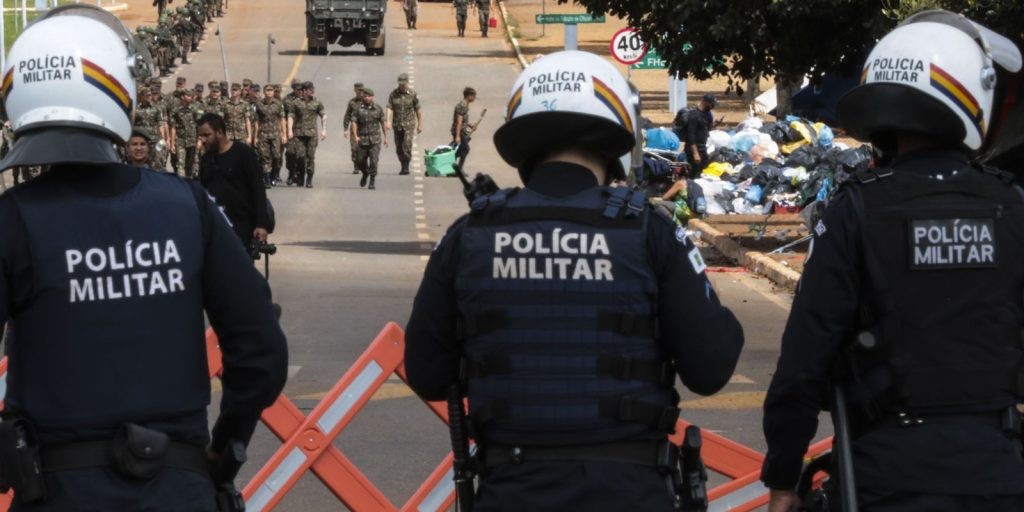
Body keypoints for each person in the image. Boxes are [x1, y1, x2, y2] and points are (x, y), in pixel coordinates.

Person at [405, 50, 744, 511]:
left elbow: (427, 373)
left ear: (524, 141)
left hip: (512, 489)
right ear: (613, 139)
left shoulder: (471, 234)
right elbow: (710, 367)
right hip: (631, 491)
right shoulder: (651, 231)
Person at [0, 6, 287, 511]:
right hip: (179, 483)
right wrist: (225, 448)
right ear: (119, 88)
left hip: (58, 489)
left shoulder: (13, 220)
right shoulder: (188, 205)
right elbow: (260, 349)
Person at [761, 11, 1024, 512]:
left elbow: (804, 360)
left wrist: (781, 476)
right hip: (996, 473)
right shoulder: (1012, 207)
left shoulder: (855, 208)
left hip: (883, 477)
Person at [197, 113, 272, 247]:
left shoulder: (244, 154)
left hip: (242, 226)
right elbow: (201, 193)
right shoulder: (206, 159)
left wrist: (261, 224)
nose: (203, 140)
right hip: (216, 227)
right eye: (201, 136)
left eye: (207, 135)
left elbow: (258, 190)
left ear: (219, 132)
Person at [286, 81, 327, 188]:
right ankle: (300, 176)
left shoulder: (317, 102)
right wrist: (290, 130)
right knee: (300, 156)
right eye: (310, 89)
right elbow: (290, 116)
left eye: (313, 89)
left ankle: (309, 179)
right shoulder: (295, 102)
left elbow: (323, 115)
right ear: (304, 91)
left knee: (310, 157)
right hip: (299, 134)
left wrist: (324, 130)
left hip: (312, 134)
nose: (312, 91)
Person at [351, 87, 387, 190]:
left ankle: (372, 180)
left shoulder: (378, 108)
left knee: (374, 161)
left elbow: (382, 123)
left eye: (369, 96)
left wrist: (386, 137)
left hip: (375, 140)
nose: (366, 98)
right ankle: (365, 173)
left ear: (372, 97)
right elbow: (354, 122)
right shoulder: (358, 109)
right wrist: (356, 136)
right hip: (362, 139)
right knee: (360, 161)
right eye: (365, 96)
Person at [386, 73, 422, 176]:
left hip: (409, 124)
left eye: (403, 84)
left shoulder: (413, 94)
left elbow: (418, 110)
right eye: (400, 84)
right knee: (398, 147)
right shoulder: (393, 94)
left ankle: (406, 166)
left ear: (407, 82)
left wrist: (420, 124)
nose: (401, 86)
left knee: (407, 144)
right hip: (397, 124)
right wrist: (388, 121)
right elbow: (389, 107)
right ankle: (402, 164)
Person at [254, 84, 287, 186]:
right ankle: (267, 178)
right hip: (263, 134)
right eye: (267, 90)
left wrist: (284, 134)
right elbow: (256, 121)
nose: (269, 92)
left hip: (275, 134)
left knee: (277, 156)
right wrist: (255, 136)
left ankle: (273, 175)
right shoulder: (259, 104)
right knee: (264, 156)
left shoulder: (278, 104)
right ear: (264, 92)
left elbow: (282, 119)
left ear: (273, 92)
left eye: (271, 90)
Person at [678, 93, 715, 175]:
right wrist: (695, 153)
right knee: (695, 174)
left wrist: (716, 124)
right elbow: (691, 135)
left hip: (702, 148)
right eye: (711, 104)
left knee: (704, 171)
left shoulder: (705, 114)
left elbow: (705, 129)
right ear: (705, 102)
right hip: (693, 150)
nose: (712, 106)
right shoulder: (694, 115)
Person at [169, 88, 203, 177]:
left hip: (192, 141)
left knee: (190, 166)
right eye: (188, 95)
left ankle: (190, 185)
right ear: (182, 97)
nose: (190, 97)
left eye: (191, 96)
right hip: (180, 141)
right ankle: (181, 185)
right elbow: (173, 127)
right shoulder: (175, 110)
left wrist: (199, 140)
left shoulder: (195, 109)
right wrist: (172, 143)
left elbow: (200, 125)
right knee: (180, 165)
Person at [451, 87, 477, 172]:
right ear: (468, 96)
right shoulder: (462, 105)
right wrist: (458, 136)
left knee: (460, 149)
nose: (474, 98)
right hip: (459, 131)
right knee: (465, 149)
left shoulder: (465, 105)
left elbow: (463, 120)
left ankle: (455, 167)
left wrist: (470, 126)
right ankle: (458, 168)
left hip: (462, 130)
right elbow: (459, 122)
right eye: (473, 96)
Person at [343, 82, 365, 175]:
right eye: (358, 90)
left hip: (365, 129)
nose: (360, 92)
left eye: (361, 90)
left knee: (365, 148)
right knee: (354, 148)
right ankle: (356, 166)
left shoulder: (367, 101)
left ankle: (364, 165)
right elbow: (347, 115)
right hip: (354, 129)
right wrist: (345, 129)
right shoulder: (352, 102)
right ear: (355, 90)